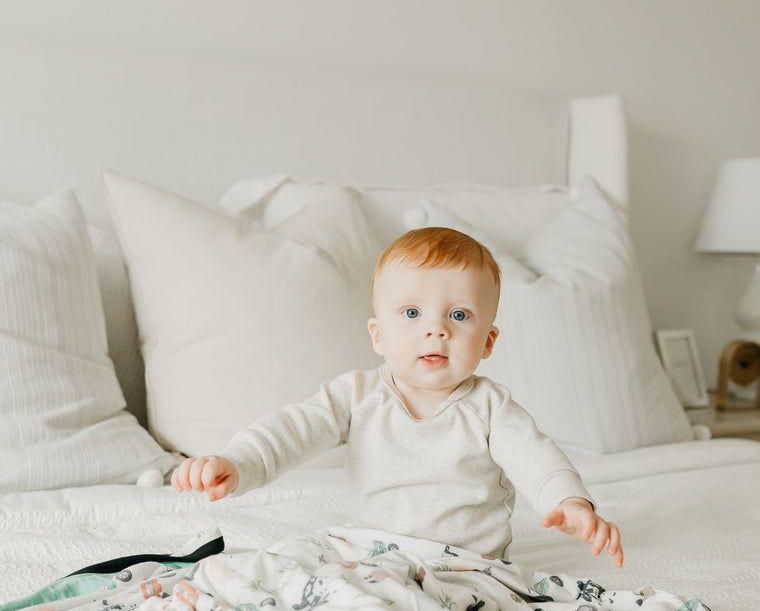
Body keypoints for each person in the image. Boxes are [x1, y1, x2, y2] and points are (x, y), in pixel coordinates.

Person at [172, 227, 623, 566]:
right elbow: (291, 430)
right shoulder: (357, 395)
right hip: (371, 556)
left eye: (460, 315)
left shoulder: (490, 408)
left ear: (487, 342)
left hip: (467, 565)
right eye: (411, 312)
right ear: (378, 335)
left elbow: (536, 458)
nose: (436, 328)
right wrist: (237, 463)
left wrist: (569, 503)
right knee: (282, 569)